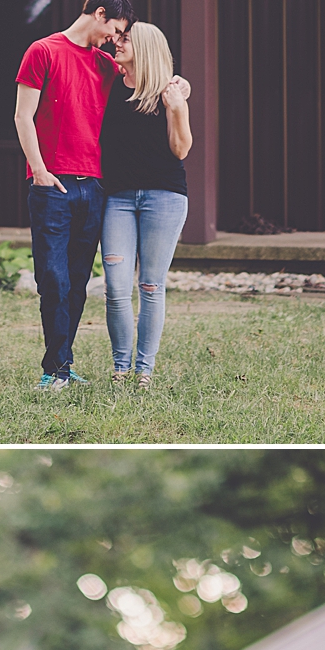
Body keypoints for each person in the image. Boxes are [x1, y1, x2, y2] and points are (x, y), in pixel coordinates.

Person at [14, 0, 134, 390]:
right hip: (52, 186)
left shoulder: (105, 64)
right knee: (53, 278)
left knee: (79, 282)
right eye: (115, 30)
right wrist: (40, 170)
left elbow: (144, 75)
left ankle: (62, 364)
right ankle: (55, 370)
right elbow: (23, 117)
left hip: (93, 187)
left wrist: (180, 86)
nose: (115, 41)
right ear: (100, 13)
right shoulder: (42, 51)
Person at [99, 24, 192, 386]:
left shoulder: (168, 91)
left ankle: (144, 371)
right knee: (116, 287)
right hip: (118, 198)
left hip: (164, 197)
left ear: (146, 47)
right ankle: (121, 369)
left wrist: (178, 108)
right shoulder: (108, 85)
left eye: (124, 39)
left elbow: (181, 149)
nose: (116, 43)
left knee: (151, 285)